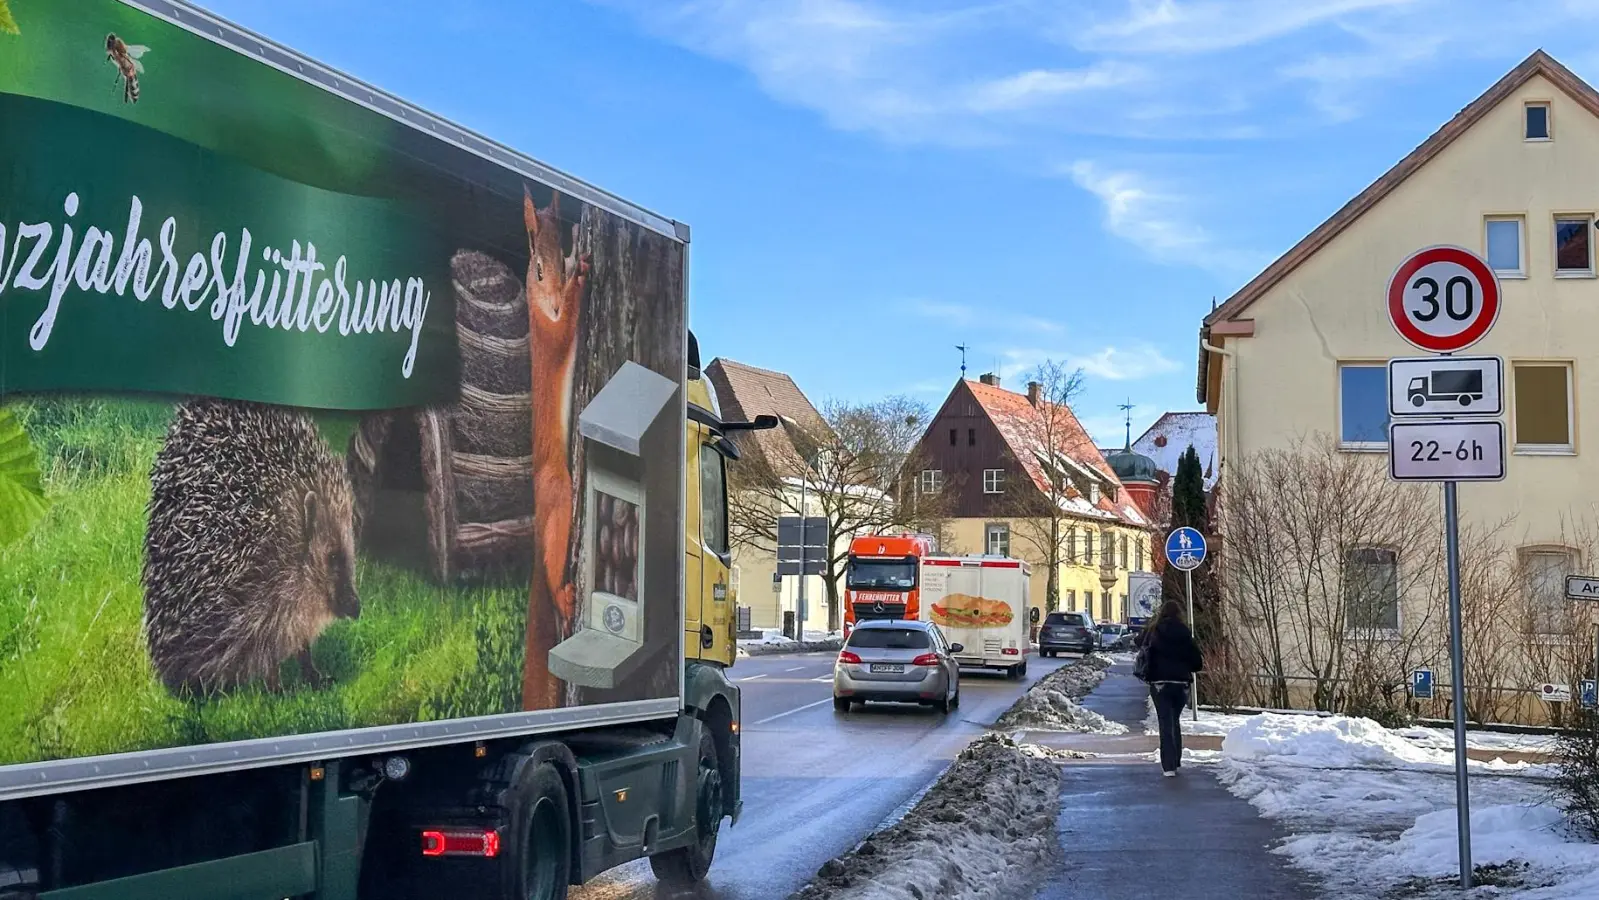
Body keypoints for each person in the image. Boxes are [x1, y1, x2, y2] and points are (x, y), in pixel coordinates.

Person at [1138, 600, 1204, 777]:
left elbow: (1140, 645)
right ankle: (1176, 760)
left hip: (1159, 683)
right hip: (1181, 684)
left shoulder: (1154, 631)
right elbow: (1197, 663)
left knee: (1165, 722)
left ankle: (1169, 767)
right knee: (1174, 720)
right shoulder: (1185, 633)